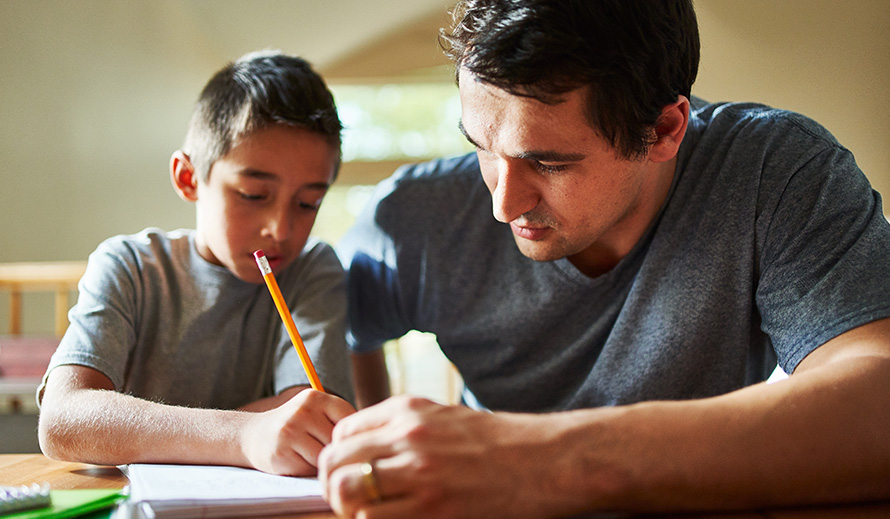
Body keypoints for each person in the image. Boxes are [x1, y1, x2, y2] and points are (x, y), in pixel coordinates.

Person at [319, 1, 890, 517]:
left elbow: (878, 401)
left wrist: (530, 462)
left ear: (665, 129)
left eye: (549, 163)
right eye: (480, 147)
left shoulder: (775, 171)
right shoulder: (412, 218)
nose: (502, 203)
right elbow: (324, 347)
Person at [38, 50, 356, 477]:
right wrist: (244, 435)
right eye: (253, 195)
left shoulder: (312, 269)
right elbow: (64, 421)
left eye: (308, 202)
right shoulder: (131, 267)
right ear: (189, 178)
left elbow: (309, 418)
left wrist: (138, 433)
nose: (280, 229)